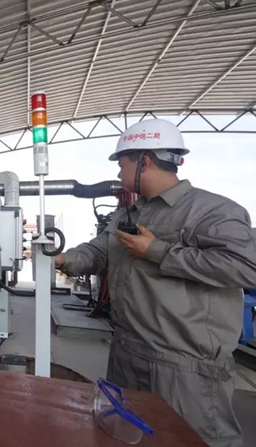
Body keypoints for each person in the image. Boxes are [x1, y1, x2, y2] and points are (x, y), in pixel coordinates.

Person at [55, 119, 256, 447]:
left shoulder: (212, 211)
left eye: (123, 163)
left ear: (145, 162)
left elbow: (246, 268)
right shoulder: (128, 215)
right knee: (124, 438)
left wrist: (156, 251)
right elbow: (99, 251)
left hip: (184, 368)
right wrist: (60, 258)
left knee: (187, 441)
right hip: (126, 354)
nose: (119, 172)